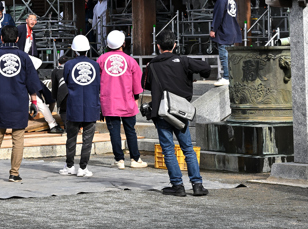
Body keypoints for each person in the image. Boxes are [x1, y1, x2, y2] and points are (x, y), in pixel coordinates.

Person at [145, 30, 211, 197]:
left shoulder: (151, 65)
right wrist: (189, 77)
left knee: (168, 149)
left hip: (161, 111)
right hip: (180, 111)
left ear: (158, 46)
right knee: (187, 148)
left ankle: (177, 186)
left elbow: (145, 84)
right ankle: (197, 185)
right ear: (174, 45)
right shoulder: (183, 61)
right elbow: (205, 68)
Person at [0, 25, 44, 183]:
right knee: (18, 139)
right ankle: (14, 173)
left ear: (1, 38)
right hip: (19, 103)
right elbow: (32, 83)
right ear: (17, 39)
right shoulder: (24, 57)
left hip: (0, 103)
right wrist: (34, 102)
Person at [97, 30, 145, 169]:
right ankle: (135, 159)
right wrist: (136, 97)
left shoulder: (101, 59)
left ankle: (119, 160)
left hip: (109, 102)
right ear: (123, 43)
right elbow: (137, 83)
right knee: (130, 130)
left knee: (114, 132)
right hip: (127, 101)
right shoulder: (130, 60)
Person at [60, 35, 100, 177]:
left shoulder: (69, 65)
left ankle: (69, 166)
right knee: (87, 140)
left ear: (74, 50)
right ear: (88, 49)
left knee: (71, 138)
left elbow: (66, 79)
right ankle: (83, 168)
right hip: (91, 106)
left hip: (74, 105)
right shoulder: (95, 65)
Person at [209, 0, 240, 87]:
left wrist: (213, 29)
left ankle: (226, 77)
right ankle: (230, 76)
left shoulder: (221, 0)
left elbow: (218, 16)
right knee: (229, 55)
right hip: (232, 30)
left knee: (224, 55)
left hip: (224, 31)